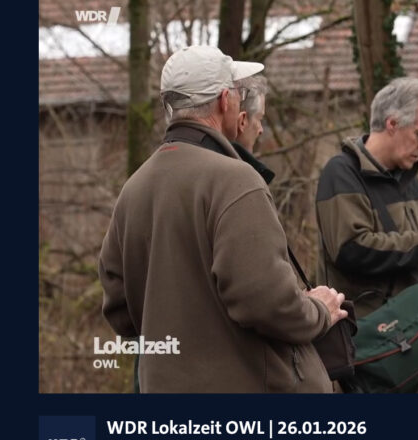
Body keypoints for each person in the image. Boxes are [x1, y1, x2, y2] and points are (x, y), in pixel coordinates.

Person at [98, 45, 347, 393]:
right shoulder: (236, 179)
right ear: (224, 100)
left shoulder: (134, 188)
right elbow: (265, 302)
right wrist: (319, 310)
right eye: (239, 94)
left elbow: (120, 310)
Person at [315, 77, 418, 393]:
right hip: (375, 354)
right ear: (392, 123)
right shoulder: (342, 173)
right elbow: (352, 250)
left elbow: (408, 256)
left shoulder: (411, 179)